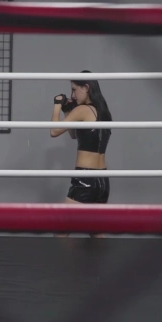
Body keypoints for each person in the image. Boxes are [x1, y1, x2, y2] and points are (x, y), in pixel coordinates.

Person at [50, 71, 112, 236]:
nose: (72, 95)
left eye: (74, 90)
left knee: (61, 230)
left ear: (86, 87)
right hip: (103, 181)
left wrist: (57, 105)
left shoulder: (83, 109)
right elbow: (74, 135)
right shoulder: (103, 112)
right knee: (97, 233)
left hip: (85, 179)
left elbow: (54, 131)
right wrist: (66, 111)